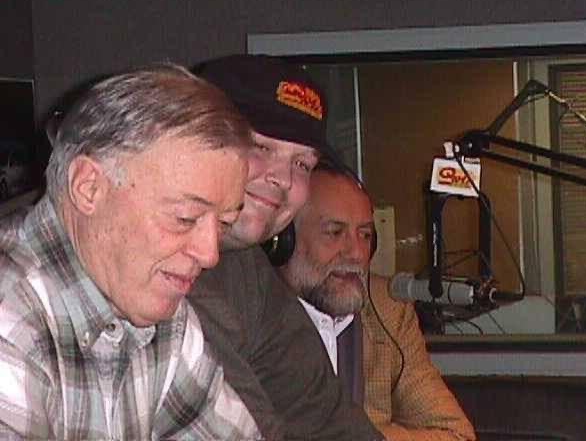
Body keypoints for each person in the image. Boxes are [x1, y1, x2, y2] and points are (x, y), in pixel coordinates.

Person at [0, 64, 262, 440]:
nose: (210, 254)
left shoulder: (163, 314)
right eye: (185, 218)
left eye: (223, 224)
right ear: (89, 187)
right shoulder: (9, 317)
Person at [187, 54, 383, 441]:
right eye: (260, 147)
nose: (281, 178)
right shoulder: (161, 268)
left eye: (302, 164)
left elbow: (322, 413)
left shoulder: (248, 270)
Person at [279, 162, 477, 441]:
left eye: (365, 235)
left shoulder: (387, 307)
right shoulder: (252, 313)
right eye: (335, 232)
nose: (356, 253)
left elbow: (456, 435)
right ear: (285, 239)